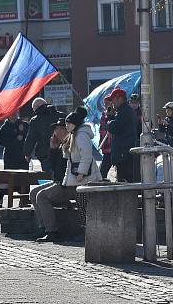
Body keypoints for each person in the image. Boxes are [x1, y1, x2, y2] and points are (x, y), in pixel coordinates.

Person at [32, 107, 100, 242]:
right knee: (34, 193)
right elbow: (55, 167)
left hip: (77, 182)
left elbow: (85, 158)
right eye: (55, 129)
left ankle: (53, 231)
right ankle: (44, 227)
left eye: (60, 128)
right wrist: (53, 149)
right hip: (68, 181)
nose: (56, 131)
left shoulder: (78, 137)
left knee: (42, 196)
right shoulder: (68, 140)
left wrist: (80, 173)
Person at [23, 97, 64, 173]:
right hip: (63, 153)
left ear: (37, 107)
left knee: (50, 179)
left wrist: (27, 153)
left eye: (34, 110)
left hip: (45, 154)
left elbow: (31, 138)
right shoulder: (62, 116)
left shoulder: (36, 120)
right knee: (63, 177)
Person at [106, 88, 137, 182]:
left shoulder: (124, 111)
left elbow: (115, 127)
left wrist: (109, 122)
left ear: (119, 98)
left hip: (124, 153)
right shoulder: (124, 111)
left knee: (124, 180)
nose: (112, 103)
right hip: (124, 152)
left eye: (113, 100)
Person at [0, 112, 28, 207]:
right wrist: (15, 140)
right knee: (6, 177)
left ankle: (24, 200)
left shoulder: (24, 125)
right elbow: (1, 142)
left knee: (24, 178)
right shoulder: (4, 127)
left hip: (22, 156)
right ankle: (1, 198)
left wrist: (23, 133)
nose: (14, 115)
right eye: (11, 114)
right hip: (9, 157)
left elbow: (30, 138)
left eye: (15, 113)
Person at [98, 96, 113, 180]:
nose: (107, 105)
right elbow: (102, 130)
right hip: (106, 145)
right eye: (105, 103)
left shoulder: (115, 113)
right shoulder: (103, 114)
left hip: (114, 146)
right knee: (103, 171)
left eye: (108, 103)